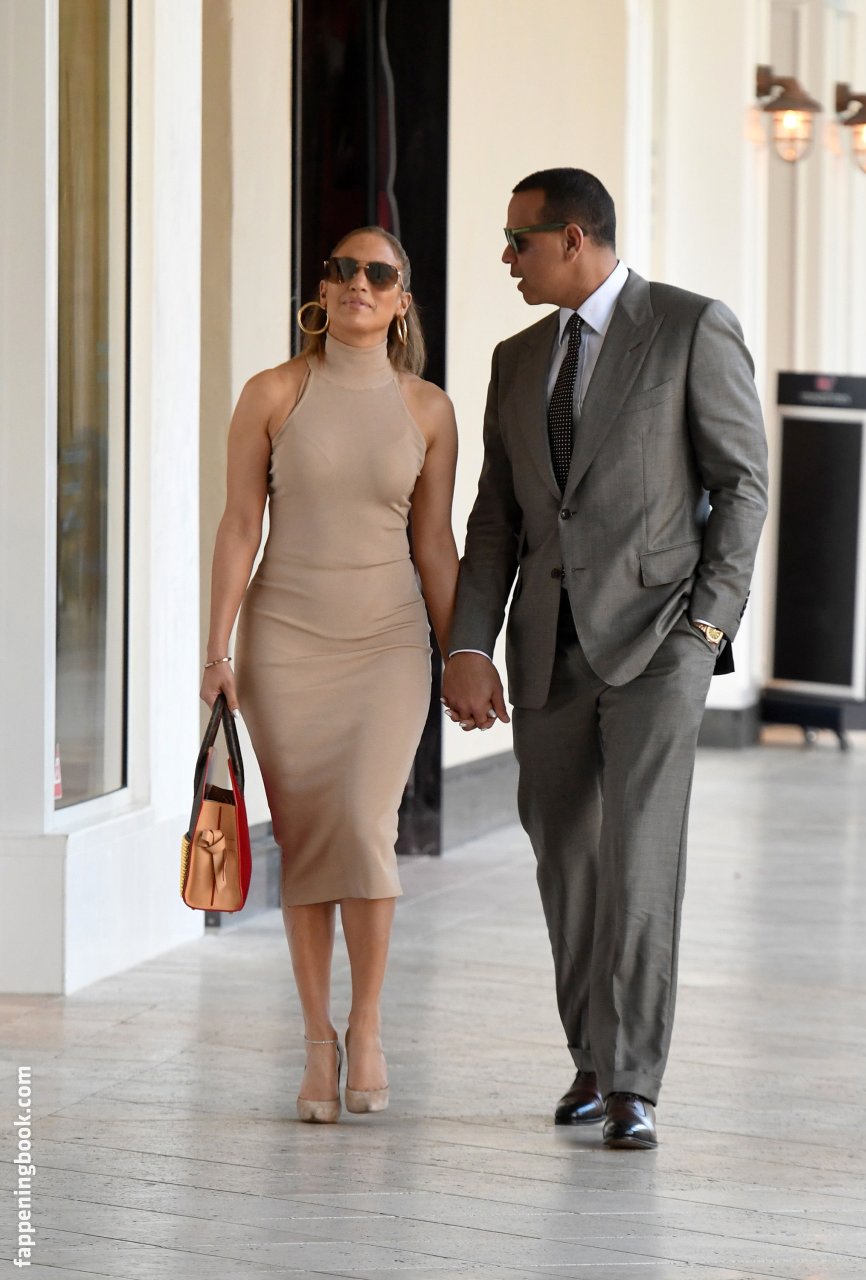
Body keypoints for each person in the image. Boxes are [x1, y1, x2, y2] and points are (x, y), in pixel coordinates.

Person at [442, 168, 768, 1149]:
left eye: (519, 241)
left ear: (573, 238)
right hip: (546, 646)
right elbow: (495, 517)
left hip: (660, 640)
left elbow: (742, 484)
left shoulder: (688, 328)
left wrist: (706, 628)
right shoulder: (515, 358)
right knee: (566, 857)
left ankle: (631, 1080)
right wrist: (469, 641)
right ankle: (590, 1053)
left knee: (639, 854)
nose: (507, 259)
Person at [201, 226, 459, 1124]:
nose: (359, 282)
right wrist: (216, 650)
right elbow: (240, 524)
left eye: (379, 274)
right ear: (324, 289)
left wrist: (464, 656)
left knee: (362, 825)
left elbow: (436, 544)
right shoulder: (272, 392)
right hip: (285, 643)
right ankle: (318, 1039)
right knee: (310, 840)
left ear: (401, 301)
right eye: (344, 269)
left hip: (387, 645)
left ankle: (369, 1024)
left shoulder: (429, 409)